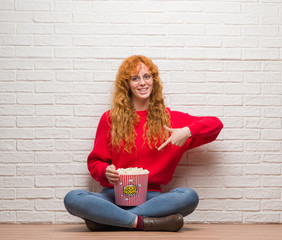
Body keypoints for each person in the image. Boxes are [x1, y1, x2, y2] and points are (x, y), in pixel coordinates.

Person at [64, 55, 223, 232]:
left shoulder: (171, 120)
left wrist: (187, 131)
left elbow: (216, 124)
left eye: (147, 76)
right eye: (135, 78)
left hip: (151, 198)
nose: (142, 83)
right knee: (73, 198)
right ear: (127, 85)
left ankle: (110, 220)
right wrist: (105, 171)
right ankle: (143, 222)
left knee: (188, 196)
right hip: (113, 196)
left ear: (154, 80)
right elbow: (95, 164)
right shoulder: (110, 119)